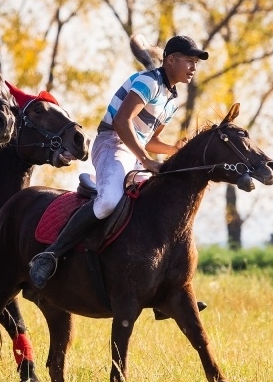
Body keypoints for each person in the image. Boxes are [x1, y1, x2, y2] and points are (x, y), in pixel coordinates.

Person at [28, 35, 209, 288]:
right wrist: (146, 160)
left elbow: (151, 139)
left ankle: (165, 284)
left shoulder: (172, 98)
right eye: (189, 61)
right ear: (171, 60)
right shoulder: (148, 82)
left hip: (134, 151)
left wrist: (173, 148)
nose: (194, 68)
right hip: (112, 143)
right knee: (108, 202)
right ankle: (49, 255)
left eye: (195, 63)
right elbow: (121, 122)